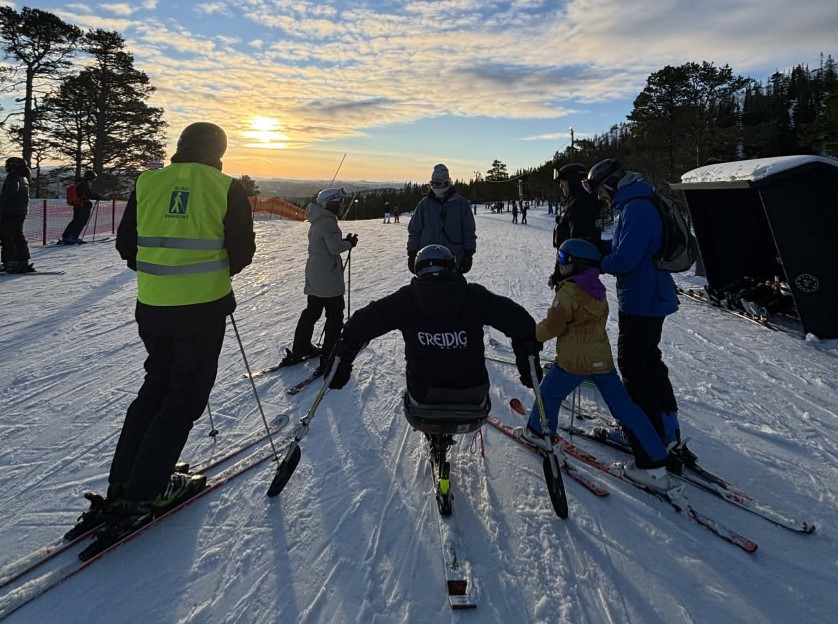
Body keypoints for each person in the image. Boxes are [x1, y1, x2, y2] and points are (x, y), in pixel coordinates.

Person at [72, 122, 256, 544]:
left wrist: (161, 275)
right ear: (219, 150)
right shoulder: (225, 187)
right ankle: (147, 490)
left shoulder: (148, 182)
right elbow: (242, 251)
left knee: (155, 385)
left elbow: (127, 245)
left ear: (180, 147)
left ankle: (123, 484)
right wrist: (207, 277)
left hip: (152, 307)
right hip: (202, 308)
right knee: (184, 397)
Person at [325, 244, 542, 510]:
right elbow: (522, 322)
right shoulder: (474, 296)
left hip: (422, 402)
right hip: (474, 401)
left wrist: (342, 358)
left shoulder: (407, 299)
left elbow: (360, 324)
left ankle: (435, 436)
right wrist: (527, 362)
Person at [518, 239, 681, 494]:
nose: (559, 263)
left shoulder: (568, 293)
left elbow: (554, 326)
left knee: (549, 393)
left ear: (577, 264)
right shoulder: (597, 288)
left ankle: (538, 431)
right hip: (601, 361)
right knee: (625, 407)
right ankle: (654, 461)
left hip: (574, 362)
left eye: (563, 259)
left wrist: (532, 335)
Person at [586, 159, 694, 470]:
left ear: (610, 184)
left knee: (633, 365)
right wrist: (599, 245)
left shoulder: (636, 208)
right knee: (649, 361)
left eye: (600, 191)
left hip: (642, 299)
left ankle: (647, 441)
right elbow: (627, 246)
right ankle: (666, 431)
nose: (601, 198)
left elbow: (625, 261)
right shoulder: (637, 202)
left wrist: (593, 263)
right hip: (649, 297)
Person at [285, 186, 358, 373]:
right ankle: (329, 357)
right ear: (330, 203)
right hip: (328, 275)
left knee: (312, 311)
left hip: (315, 273)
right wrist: (349, 243)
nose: (341, 206)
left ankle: (301, 347)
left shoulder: (318, 219)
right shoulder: (328, 222)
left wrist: (345, 242)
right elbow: (334, 248)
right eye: (339, 202)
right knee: (335, 316)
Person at [407, 164, 476, 275]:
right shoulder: (424, 205)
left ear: (446, 183)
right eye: (432, 183)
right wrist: (412, 253)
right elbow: (414, 230)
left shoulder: (461, 204)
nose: (434, 187)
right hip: (428, 264)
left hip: (453, 263)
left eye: (437, 183)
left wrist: (468, 253)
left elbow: (469, 231)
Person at [552, 163, 601, 250]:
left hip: (575, 261)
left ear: (573, 181)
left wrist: (571, 261)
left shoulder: (581, 206)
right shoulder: (578, 201)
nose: (560, 186)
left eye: (563, 181)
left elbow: (579, 246)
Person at [0, 156, 34, 273]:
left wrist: (2, 200)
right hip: (20, 210)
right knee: (17, 235)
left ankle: (10, 261)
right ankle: (22, 260)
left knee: (7, 236)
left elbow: (10, 192)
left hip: (10, 211)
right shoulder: (24, 177)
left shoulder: (13, 177)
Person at [61, 170, 100, 244]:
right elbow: (88, 194)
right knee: (80, 222)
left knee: (76, 221)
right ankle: (72, 237)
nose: (93, 180)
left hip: (78, 205)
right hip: (82, 206)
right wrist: (96, 196)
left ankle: (67, 237)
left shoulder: (79, 183)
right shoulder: (83, 184)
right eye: (93, 178)